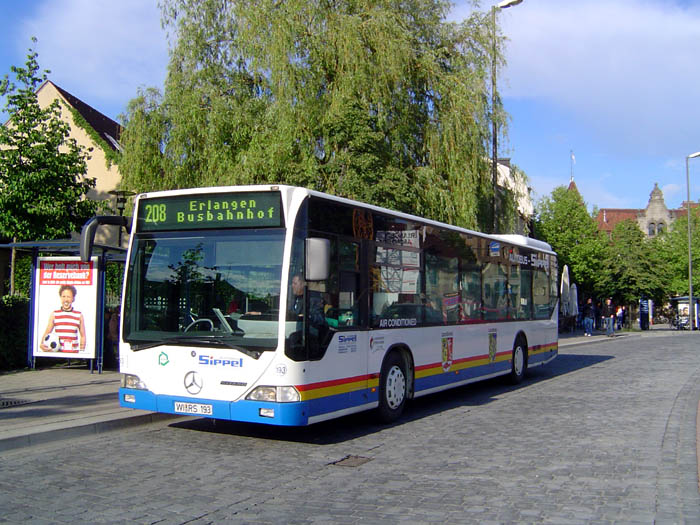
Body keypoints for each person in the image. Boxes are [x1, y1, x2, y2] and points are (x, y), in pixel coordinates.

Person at [40, 284, 86, 353]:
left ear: (73, 298)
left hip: (73, 354)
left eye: (68, 297)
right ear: (60, 297)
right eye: (63, 296)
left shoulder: (79, 315)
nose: (66, 299)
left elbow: (83, 335)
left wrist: (82, 351)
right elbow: (47, 332)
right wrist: (42, 344)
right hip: (59, 353)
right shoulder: (54, 314)